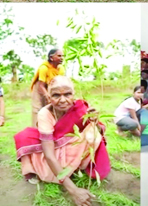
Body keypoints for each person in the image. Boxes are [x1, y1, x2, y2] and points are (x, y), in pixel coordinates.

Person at [14, 76, 110, 206]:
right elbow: (49, 154)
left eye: (68, 94)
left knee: (92, 132)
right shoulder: (45, 114)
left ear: (74, 94)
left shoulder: (82, 109)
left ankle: (77, 166)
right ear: (48, 96)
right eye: (56, 95)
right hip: (52, 147)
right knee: (25, 137)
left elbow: (99, 132)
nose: (63, 100)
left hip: (70, 146)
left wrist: (94, 121)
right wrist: (73, 190)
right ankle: (47, 169)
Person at [30, 49, 66, 126]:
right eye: (59, 56)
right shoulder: (44, 68)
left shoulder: (61, 69)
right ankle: (36, 130)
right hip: (40, 89)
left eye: (63, 56)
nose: (62, 58)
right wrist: (47, 96)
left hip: (52, 88)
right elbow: (41, 85)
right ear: (51, 58)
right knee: (38, 110)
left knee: (53, 110)